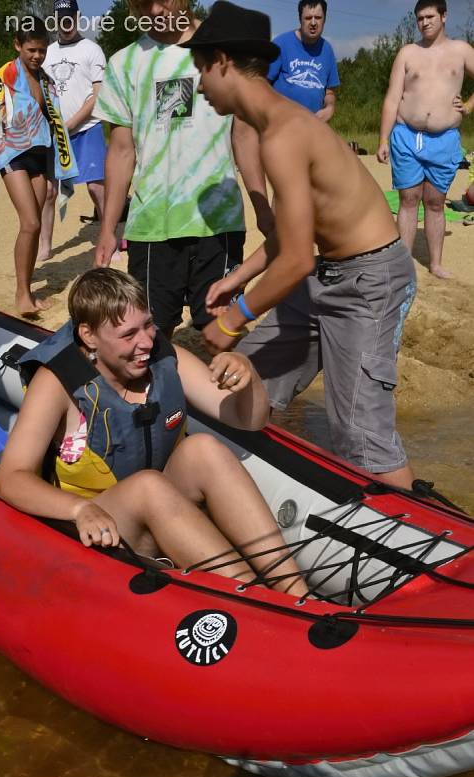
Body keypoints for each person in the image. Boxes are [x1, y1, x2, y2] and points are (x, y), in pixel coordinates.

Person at [181, 1, 416, 491]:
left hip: (369, 282)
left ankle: (420, 542)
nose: (200, 84)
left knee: (360, 432)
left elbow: (296, 258)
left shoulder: (284, 134)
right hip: (321, 276)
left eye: (202, 69)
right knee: (251, 382)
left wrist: (233, 319)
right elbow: (294, 236)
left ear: (223, 61)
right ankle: (234, 481)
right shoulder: (277, 127)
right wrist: (237, 278)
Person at [0, 268, 307, 596]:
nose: (146, 342)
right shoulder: (57, 383)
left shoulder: (167, 358)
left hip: (163, 504)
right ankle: (259, 599)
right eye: (128, 335)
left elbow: (248, 420)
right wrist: (78, 509)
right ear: (89, 336)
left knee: (204, 448)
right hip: (96, 523)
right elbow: (12, 478)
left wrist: (249, 378)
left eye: (148, 324)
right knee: (148, 486)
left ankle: (297, 592)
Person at [93, 0, 273, 340]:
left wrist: (262, 207)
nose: (156, 11)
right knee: (150, 335)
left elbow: (244, 135)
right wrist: (107, 229)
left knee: (221, 331)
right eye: (144, 4)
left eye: (164, 0)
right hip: (151, 226)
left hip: (218, 222)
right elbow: (121, 150)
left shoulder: (223, 49)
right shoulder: (123, 64)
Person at [0, 17, 78, 316]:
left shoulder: (46, 80)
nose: (37, 56)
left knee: (36, 223)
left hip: (39, 153)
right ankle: (22, 294)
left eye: (42, 50)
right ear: (18, 45)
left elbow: (54, 122)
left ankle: (27, 289)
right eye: (31, 49)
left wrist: (59, 162)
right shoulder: (4, 75)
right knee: (30, 222)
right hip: (11, 153)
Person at [377, 0, 474, 279]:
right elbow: (392, 98)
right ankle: (403, 265)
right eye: (419, 18)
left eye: (430, 16)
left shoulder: (461, 50)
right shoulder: (408, 52)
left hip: (444, 139)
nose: (424, 22)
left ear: (444, 16)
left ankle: (436, 263)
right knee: (408, 198)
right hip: (407, 135)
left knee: (435, 201)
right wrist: (383, 139)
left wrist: (467, 106)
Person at [38, 0, 110, 262]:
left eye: (69, 18)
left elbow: (97, 97)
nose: (65, 24)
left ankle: (107, 237)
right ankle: (45, 246)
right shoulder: (47, 53)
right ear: (55, 19)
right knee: (48, 192)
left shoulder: (92, 50)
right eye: (60, 19)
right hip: (55, 134)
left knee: (97, 189)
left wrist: (70, 125)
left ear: (78, 17)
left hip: (87, 129)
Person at [268, 0, 339, 121]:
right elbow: (261, 84)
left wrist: (330, 107)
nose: (313, 22)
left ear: (324, 19)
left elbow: (330, 92)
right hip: (280, 126)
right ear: (300, 19)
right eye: (308, 18)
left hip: (314, 127)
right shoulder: (281, 44)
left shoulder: (327, 50)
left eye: (318, 17)